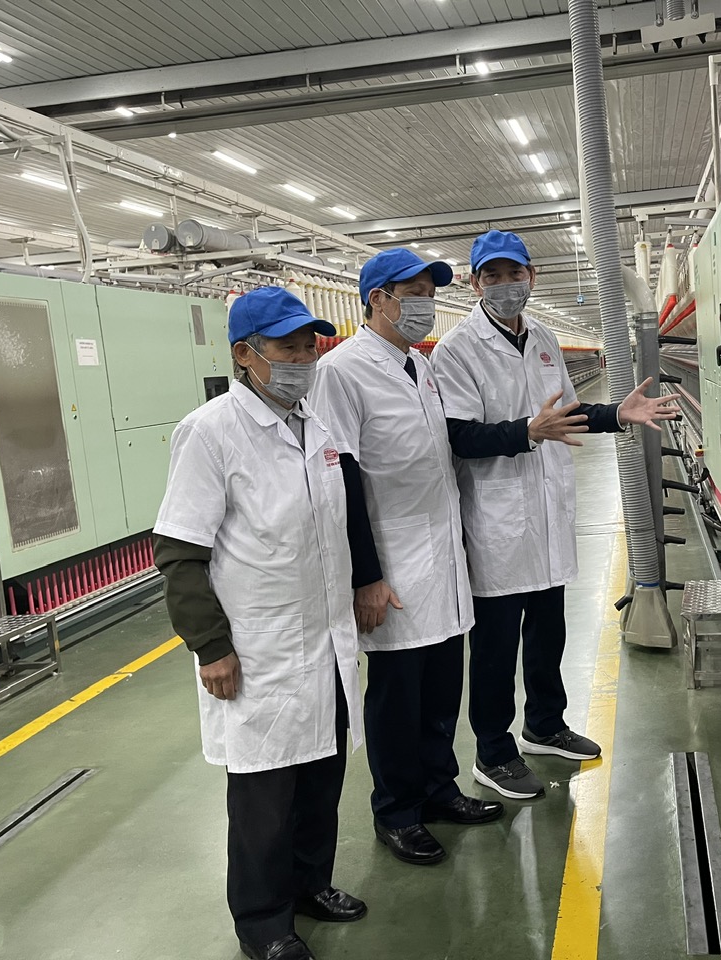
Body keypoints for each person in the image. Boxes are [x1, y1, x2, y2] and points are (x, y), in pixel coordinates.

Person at [153, 286, 366, 960]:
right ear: (245, 354)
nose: (303, 357)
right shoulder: (211, 431)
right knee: (264, 799)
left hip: (326, 640)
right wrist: (209, 646)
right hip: (259, 649)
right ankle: (264, 923)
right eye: (287, 347)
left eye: (309, 345)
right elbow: (180, 552)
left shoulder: (316, 426)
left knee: (321, 779)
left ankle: (310, 885)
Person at [430, 229, 680, 800]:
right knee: (496, 649)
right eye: (492, 276)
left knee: (549, 632)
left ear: (531, 277)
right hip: (496, 522)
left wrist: (616, 415)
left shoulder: (542, 337)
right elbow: (459, 436)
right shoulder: (458, 349)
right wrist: (526, 431)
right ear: (475, 284)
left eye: (513, 273)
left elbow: (566, 413)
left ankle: (545, 724)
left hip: (546, 515)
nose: (504, 285)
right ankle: (493, 752)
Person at [310, 248, 503, 868]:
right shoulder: (342, 371)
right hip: (391, 560)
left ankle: (439, 789)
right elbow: (342, 478)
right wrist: (366, 576)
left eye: (430, 292)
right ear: (378, 300)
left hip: (440, 557)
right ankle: (397, 811)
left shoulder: (419, 365)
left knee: (442, 687)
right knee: (398, 696)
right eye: (413, 292)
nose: (425, 303)